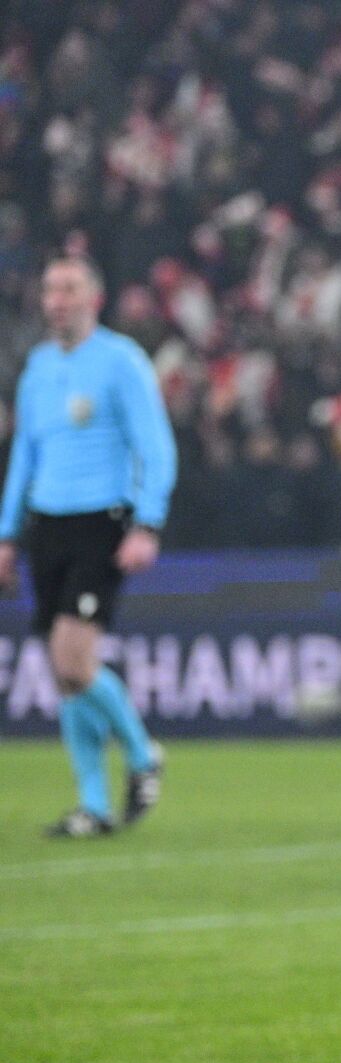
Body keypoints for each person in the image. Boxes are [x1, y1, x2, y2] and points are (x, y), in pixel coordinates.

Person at [0, 257, 175, 838]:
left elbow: (156, 445)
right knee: (66, 674)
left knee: (72, 659)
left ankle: (143, 754)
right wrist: (6, 534)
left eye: (69, 289)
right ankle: (94, 806)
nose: (57, 300)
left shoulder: (121, 361)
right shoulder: (38, 368)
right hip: (47, 525)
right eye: (50, 289)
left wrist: (148, 523)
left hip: (102, 521)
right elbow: (24, 456)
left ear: (93, 298)